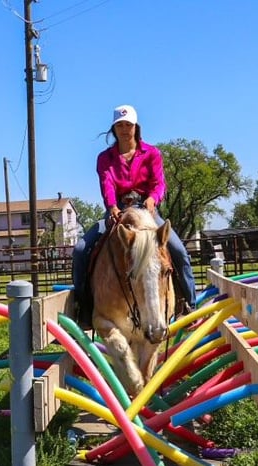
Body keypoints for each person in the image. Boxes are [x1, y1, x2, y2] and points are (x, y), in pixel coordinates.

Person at [72, 104, 196, 328]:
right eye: (119, 125)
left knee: (178, 250)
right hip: (118, 208)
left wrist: (152, 199)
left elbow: (159, 183)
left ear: (136, 127)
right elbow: (107, 182)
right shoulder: (105, 158)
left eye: (128, 124)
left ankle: (189, 303)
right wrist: (111, 206)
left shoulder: (152, 153)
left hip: (146, 209)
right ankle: (84, 306)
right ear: (114, 129)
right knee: (81, 250)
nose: (124, 129)